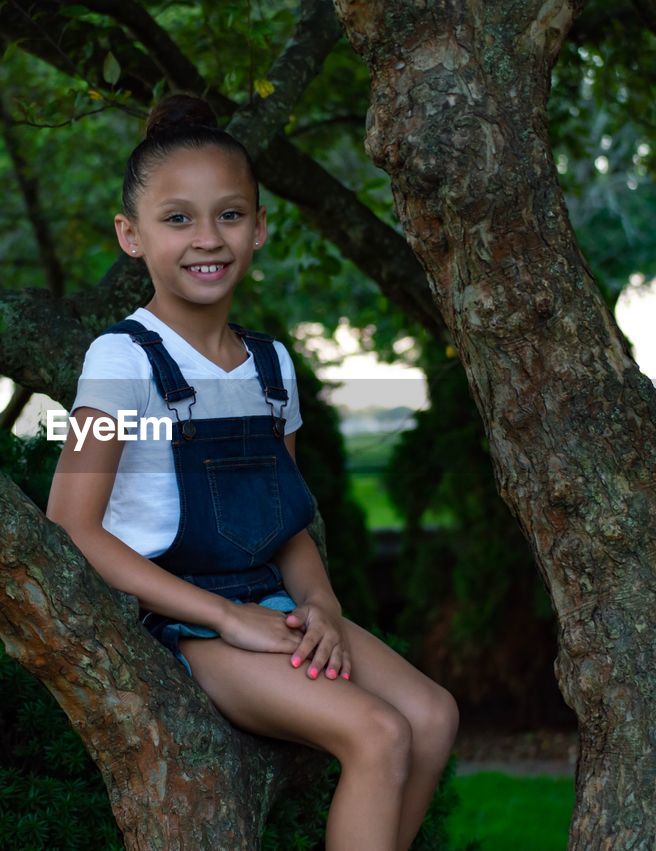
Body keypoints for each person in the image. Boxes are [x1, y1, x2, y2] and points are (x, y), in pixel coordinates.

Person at [45, 92, 458, 851]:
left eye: (230, 215)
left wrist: (322, 606)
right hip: (177, 624)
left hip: (271, 604)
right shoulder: (123, 361)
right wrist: (229, 618)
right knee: (377, 732)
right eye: (178, 219)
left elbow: (284, 521)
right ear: (130, 236)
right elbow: (70, 525)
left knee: (431, 716)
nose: (208, 238)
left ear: (261, 226)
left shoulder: (270, 366)